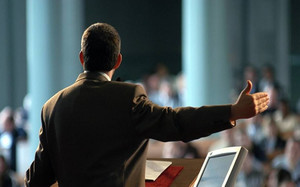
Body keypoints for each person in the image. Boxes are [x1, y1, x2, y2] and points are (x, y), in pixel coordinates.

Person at [24, 23, 269, 187]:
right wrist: (233, 111)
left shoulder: (51, 107)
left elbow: (36, 180)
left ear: (81, 58)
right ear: (118, 60)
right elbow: (176, 123)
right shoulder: (127, 97)